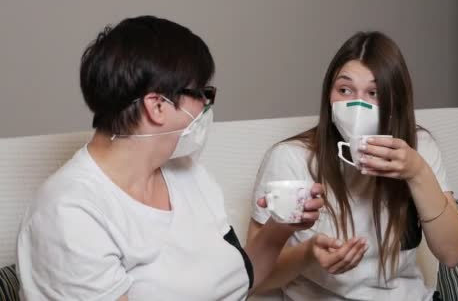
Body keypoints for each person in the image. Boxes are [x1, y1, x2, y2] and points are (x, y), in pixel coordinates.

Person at [16, 15, 324, 301]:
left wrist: (282, 226)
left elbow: (238, 278)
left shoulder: (188, 174)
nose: (206, 106)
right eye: (202, 93)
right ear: (157, 105)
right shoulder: (69, 214)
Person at [247, 31, 458, 300]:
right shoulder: (291, 158)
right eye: (345, 90)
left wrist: (417, 172)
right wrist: (307, 255)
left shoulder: (419, 148)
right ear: (329, 95)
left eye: (373, 93)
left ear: (394, 103)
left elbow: (452, 254)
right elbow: (252, 279)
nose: (358, 104)